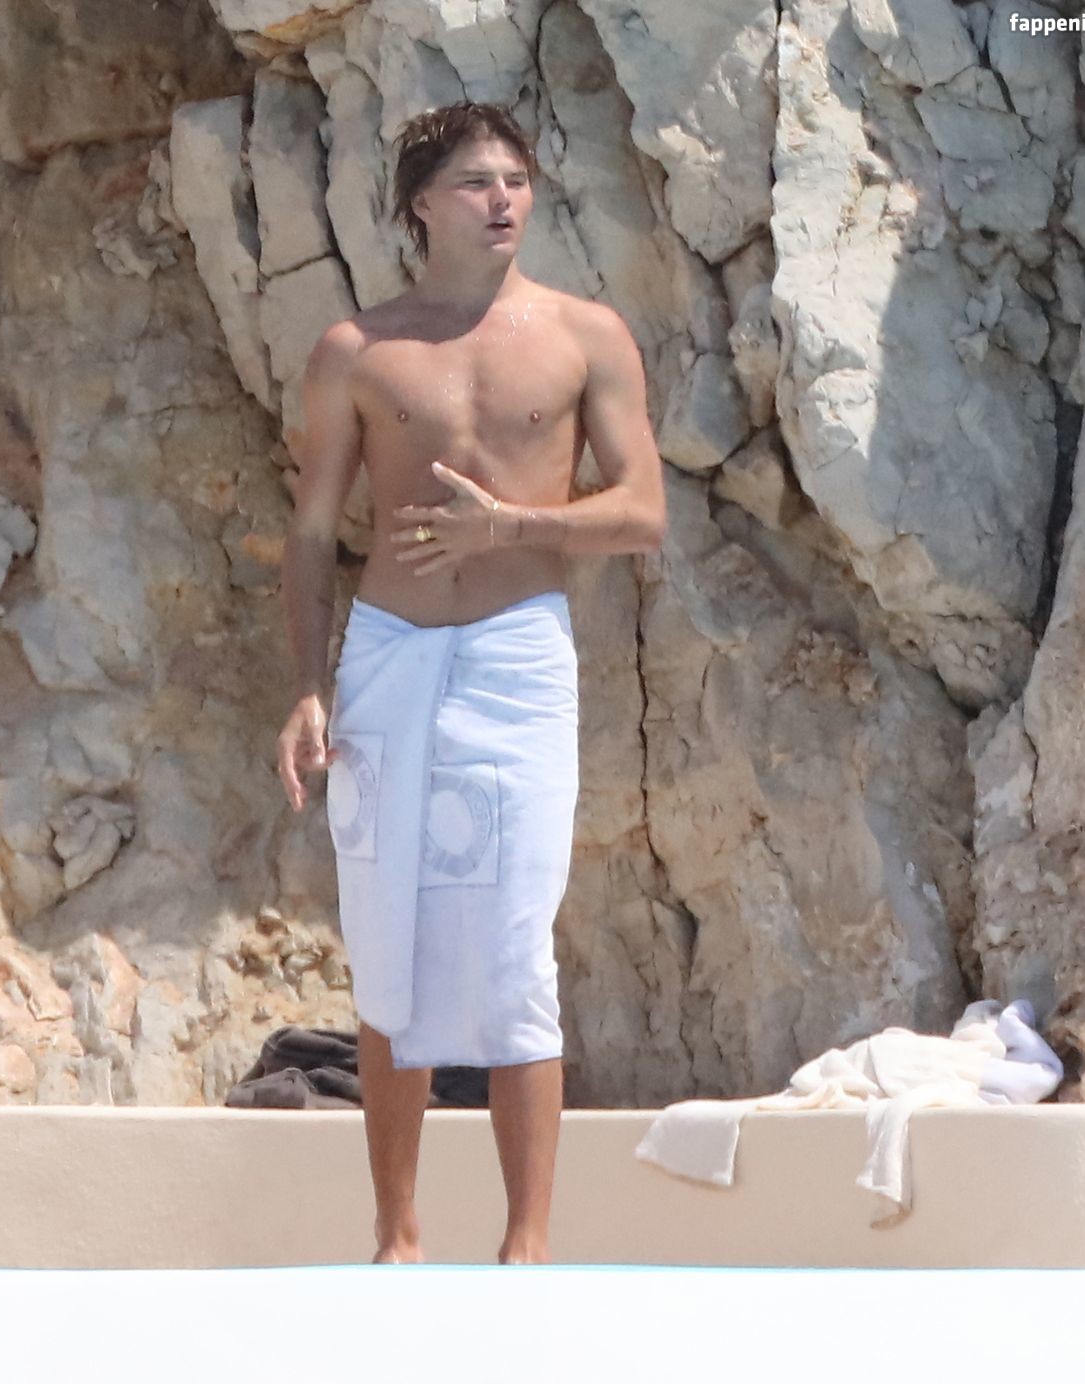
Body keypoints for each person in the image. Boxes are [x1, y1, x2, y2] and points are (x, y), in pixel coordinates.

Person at [274, 103, 667, 1265]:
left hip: (517, 655)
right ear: (420, 206)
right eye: (475, 182)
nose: (503, 200)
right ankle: (396, 1233)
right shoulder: (361, 349)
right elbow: (311, 531)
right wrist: (307, 687)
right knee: (384, 935)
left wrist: (514, 527)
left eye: (516, 179)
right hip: (388, 651)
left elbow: (642, 510)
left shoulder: (584, 335)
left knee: (514, 940)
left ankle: (526, 1242)